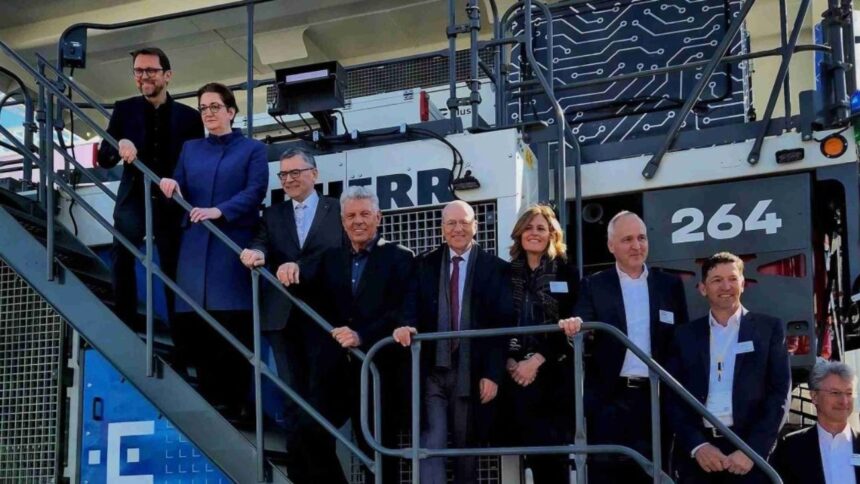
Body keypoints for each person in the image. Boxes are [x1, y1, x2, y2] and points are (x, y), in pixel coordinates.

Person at [278, 185, 414, 484]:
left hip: (378, 372)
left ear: (378, 217)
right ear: (342, 221)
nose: (358, 221)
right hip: (335, 371)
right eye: (351, 216)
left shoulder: (399, 257)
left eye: (365, 214)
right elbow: (306, 286)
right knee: (307, 430)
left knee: (378, 453)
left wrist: (361, 335)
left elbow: (402, 312)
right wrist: (290, 267)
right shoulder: (330, 258)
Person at [158, 82, 268, 420]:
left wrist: (219, 211)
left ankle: (239, 406)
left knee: (233, 329)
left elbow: (255, 191)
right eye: (203, 108)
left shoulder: (253, 149)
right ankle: (212, 403)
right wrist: (171, 185)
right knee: (198, 328)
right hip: (194, 251)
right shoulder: (190, 149)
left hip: (231, 248)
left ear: (231, 111)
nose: (208, 113)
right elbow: (179, 187)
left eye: (215, 107)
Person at [558, 210, 689, 483]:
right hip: (610, 399)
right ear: (611, 246)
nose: (636, 245)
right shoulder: (594, 284)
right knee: (608, 475)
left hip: (657, 399)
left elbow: (681, 341)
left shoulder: (670, 285)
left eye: (641, 238)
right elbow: (582, 326)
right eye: (627, 239)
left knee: (656, 474)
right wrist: (574, 328)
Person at [393, 200, 511, 484]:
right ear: (442, 228)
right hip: (432, 369)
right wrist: (405, 325)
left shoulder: (496, 268)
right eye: (451, 223)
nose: (458, 228)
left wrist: (493, 374)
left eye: (464, 222)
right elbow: (409, 305)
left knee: (465, 448)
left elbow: (502, 325)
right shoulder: (424, 264)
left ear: (476, 226)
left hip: (472, 371)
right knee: (431, 444)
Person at [239, 147, 343, 438]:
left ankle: (320, 458)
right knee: (292, 394)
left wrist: (300, 266)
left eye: (295, 172)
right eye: (283, 174)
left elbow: (338, 254)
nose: (288, 179)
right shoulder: (273, 214)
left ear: (314, 173)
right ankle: (299, 459)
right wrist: (256, 253)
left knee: (323, 395)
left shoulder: (337, 209)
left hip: (325, 316)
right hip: (282, 317)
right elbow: (261, 242)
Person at [97, 47, 204, 327]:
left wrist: (180, 184)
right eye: (138, 71)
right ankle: (126, 324)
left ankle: (181, 339)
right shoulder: (124, 109)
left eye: (151, 70)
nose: (144, 76)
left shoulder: (189, 117)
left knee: (173, 268)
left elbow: (195, 163)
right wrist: (120, 143)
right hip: (134, 196)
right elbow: (104, 158)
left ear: (167, 75)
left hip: (171, 200)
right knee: (122, 256)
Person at [666, 252, 791, 483]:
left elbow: (779, 395)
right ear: (703, 288)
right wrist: (697, 445)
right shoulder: (684, 336)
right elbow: (672, 396)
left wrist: (752, 451)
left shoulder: (769, 330)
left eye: (733, 279)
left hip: (749, 457)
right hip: (701, 460)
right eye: (717, 280)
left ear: (743, 284)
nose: (726, 286)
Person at [501, 204, 579, 483]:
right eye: (529, 228)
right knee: (529, 456)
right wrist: (511, 361)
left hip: (553, 374)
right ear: (519, 233)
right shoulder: (505, 274)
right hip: (515, 375)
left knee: (554, 460)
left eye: (541, 228)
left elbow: (570, 323)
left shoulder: (567, 273)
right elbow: (497, 319)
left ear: (552, 234)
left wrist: (535, 361)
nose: (534, 233)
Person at [771, 361, 859, 484]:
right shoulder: (791, 448)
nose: (844, 401)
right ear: (814, 396)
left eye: (849, 393)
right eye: (835, 393)